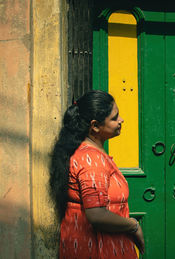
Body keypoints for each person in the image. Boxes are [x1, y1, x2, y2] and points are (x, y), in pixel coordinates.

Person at [49, 90, 144, 259]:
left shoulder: (90, 154)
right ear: (94, 126)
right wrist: (133, 225)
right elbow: (96, 215)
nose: (121, 120)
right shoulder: (91, 160)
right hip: (97, 249)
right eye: (114, 118)